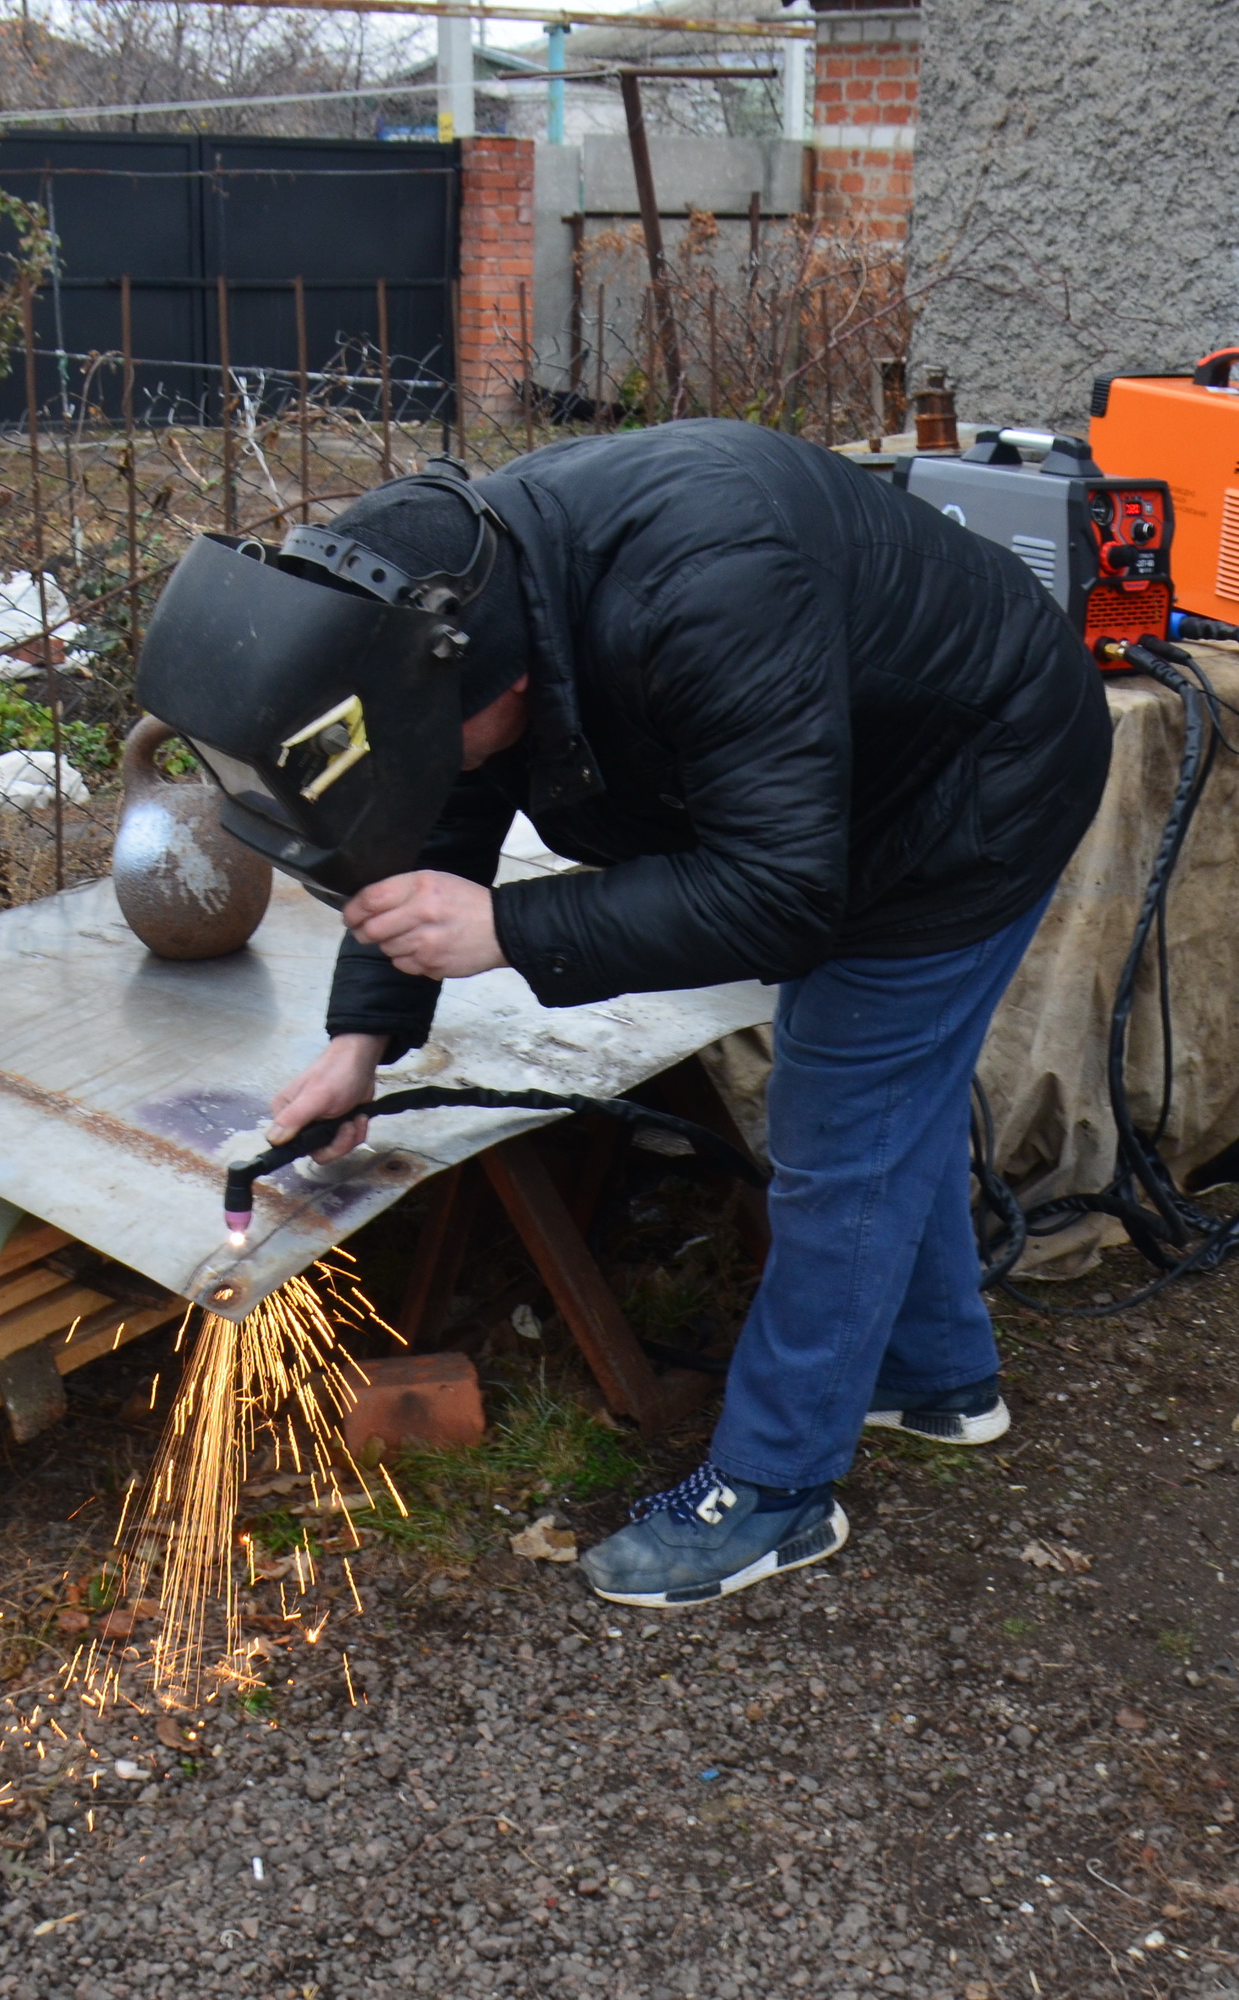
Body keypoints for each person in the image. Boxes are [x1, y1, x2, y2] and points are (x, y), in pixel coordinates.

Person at [255, 419, 1111, 1607]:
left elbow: (777, 893)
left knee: (841, 1121)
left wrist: (509, 928)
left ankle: (777, 1488)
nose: (432, 761)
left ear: (500, 678)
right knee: (875, 1100)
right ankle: (937, 1376)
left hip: (980, 781)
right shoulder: (464, 581)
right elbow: (438, 812)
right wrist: (364, 1041)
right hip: (849, 776)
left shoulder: (706, 591)